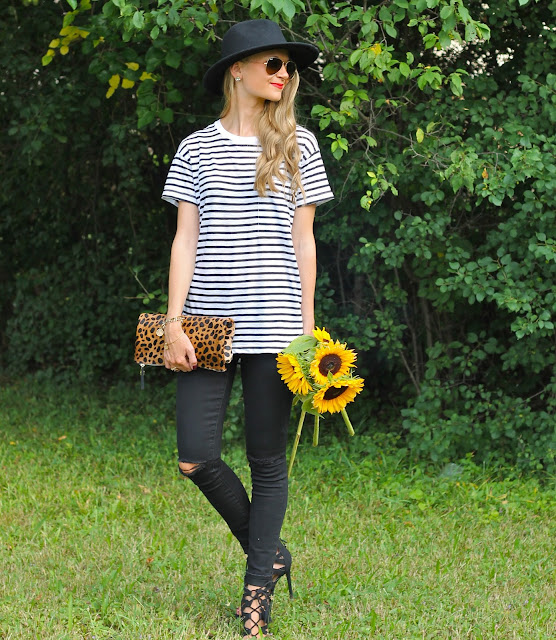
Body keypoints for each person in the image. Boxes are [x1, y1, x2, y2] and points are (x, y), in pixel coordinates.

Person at [161, 19, 333, 638]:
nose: (284, 74)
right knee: (195, 456)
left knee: (266, 461)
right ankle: (272, 552)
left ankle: (257, 591)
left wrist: (308, 334)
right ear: (237, 69)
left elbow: (304, 242)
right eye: (273, 63)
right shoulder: (196, 148)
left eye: (289, 66)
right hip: (205, 325)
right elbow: (185, 239)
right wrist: (173, 322)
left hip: (278, 328)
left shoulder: (299, 145)